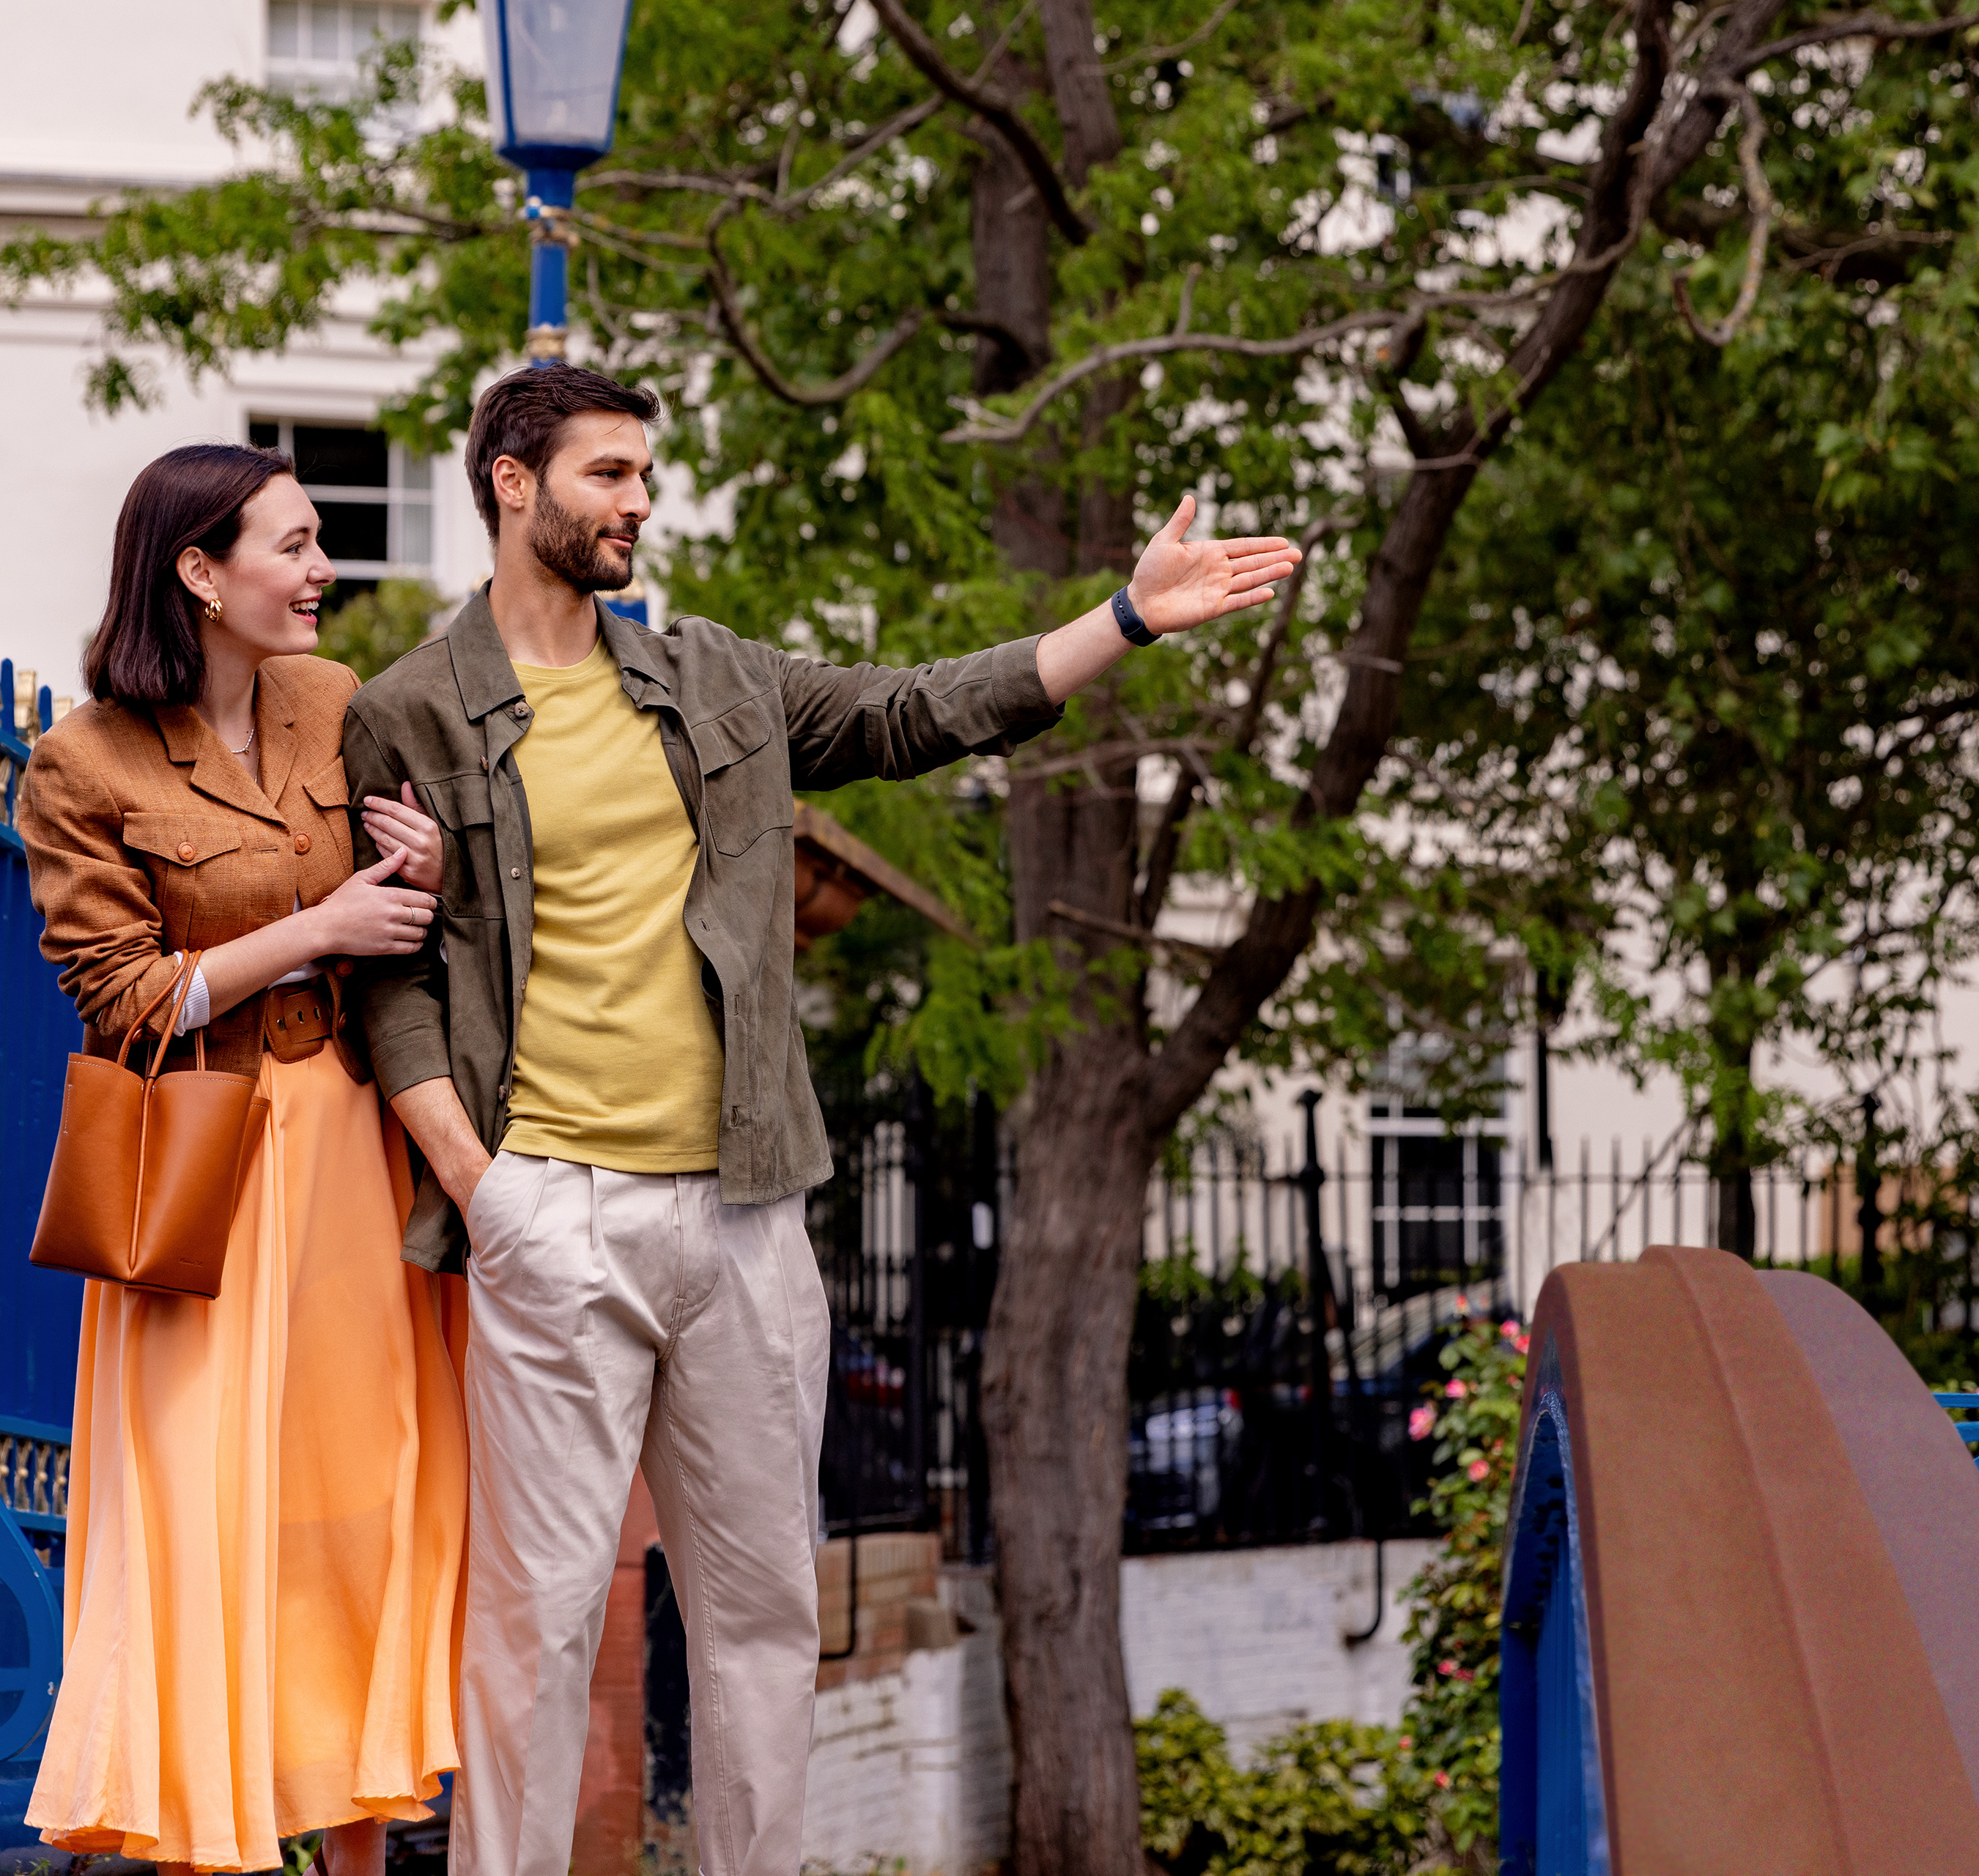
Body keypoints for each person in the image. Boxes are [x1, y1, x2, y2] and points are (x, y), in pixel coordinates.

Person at [341, 364, 1298, 1876]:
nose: (637, 502)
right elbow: (388, 986)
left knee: (763, 1618)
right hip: (551, 1207)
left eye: (643, 474)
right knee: (536, 1621)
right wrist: (484, 1187)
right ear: (512, 484)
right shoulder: (405, 712)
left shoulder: (713, 677)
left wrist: (1122, 619)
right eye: (606, 474)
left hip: (743, 1215)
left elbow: (915, 712)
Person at [16, 442, 469, 1876]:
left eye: (320, 539)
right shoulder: (82, 761)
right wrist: (315, 930)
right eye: (294, 544)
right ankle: (204, 1841)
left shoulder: (336, 703)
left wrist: (426, 875)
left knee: (360, 1500)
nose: (323, 570)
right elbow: (122, 998)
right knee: (202, 1517)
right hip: (204, 1176)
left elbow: (412, 913)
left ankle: (359, 1843)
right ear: (200, 573)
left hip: (350, 1151)